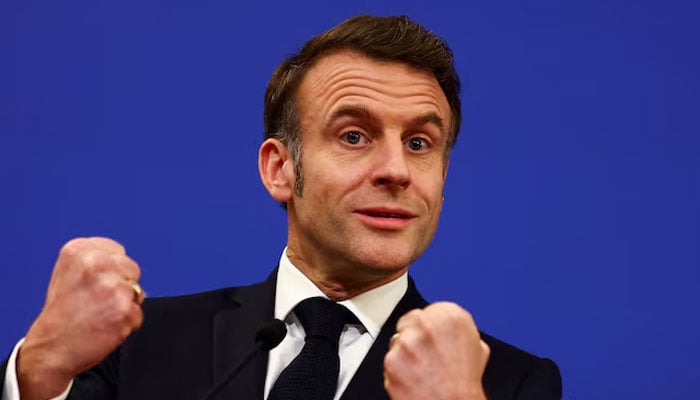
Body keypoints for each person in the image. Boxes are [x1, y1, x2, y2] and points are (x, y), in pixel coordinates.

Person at [1, 15, 562, 400]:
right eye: (354, 136)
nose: (396, 169)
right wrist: (40, 369)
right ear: (280, 169)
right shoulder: (141, 346)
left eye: (420, 144)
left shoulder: (508, 383)